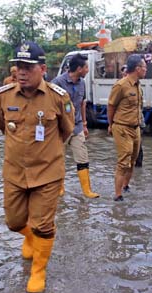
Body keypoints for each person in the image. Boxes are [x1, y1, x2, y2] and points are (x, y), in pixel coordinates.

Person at [0, 41, 75, 293]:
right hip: (14, 173)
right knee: (14, 222)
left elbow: (67, 132)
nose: (22, 71)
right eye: (18, 66)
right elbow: (0, 128)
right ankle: (29, 237)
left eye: (28, 66)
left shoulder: (58, 98)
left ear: (42, 68)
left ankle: (38, 272)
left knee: (43, 225)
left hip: (47, 174)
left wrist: (46, 154)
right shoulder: (5, 96)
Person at [50, 54, 99, 198]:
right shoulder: (57, 82)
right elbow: (49, 106)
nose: (88, 70)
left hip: (77, 126)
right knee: (58, 159)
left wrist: (84, 124)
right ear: (79, 69)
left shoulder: (82, 83)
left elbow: (82, 103)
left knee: (82, 157)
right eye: (86, 67)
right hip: (60, 128)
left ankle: (87, 190)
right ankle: (59, 188)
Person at [107, 54, 146, 201]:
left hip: (135, 128)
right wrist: (111, 125)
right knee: (124, 161)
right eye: (144, 67)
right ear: (137, 69)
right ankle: (118, 195)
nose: (145, 70)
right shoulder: (121, 85)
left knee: (134, 159)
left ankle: (125, 186)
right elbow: (111, 106)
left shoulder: (138, 86)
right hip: (122, 127)